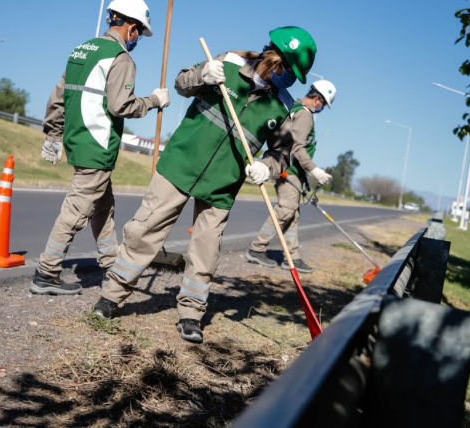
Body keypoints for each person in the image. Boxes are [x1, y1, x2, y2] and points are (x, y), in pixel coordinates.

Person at [92, 26, 318, 344]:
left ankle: (191, 314)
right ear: (276, 61)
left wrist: (266, 169)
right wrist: (202, 77)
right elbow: (181, 83)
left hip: (223, 185)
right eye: (289, 73)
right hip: (179, 166)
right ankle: (110, 298)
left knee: (205, 250)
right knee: (144, 232)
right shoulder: (224, 63)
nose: (291, 81)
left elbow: (282, 155)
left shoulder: (283, 108)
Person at [31, 0, 170, 296]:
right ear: (131, 27)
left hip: (78, 142)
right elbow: (122, 106)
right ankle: (46, 271)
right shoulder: (121, 59)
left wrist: (53, 136)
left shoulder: (81, 50)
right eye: (139, 34)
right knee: (77, 209)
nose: (138, 40)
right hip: (98, 146)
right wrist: (154, 101)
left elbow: (58, 97)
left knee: (103, 206)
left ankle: (112, 263)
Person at [246, 80, 336, 273]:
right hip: (290, 171)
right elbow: (297, 147)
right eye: (323, 104)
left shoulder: (295, 108)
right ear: (318, 99)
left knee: (292, 215)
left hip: (294, 172)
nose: (321, 108)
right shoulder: (305, 114)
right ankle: (257, 248)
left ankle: (291, 257)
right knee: (286, 210)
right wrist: (315, 170)